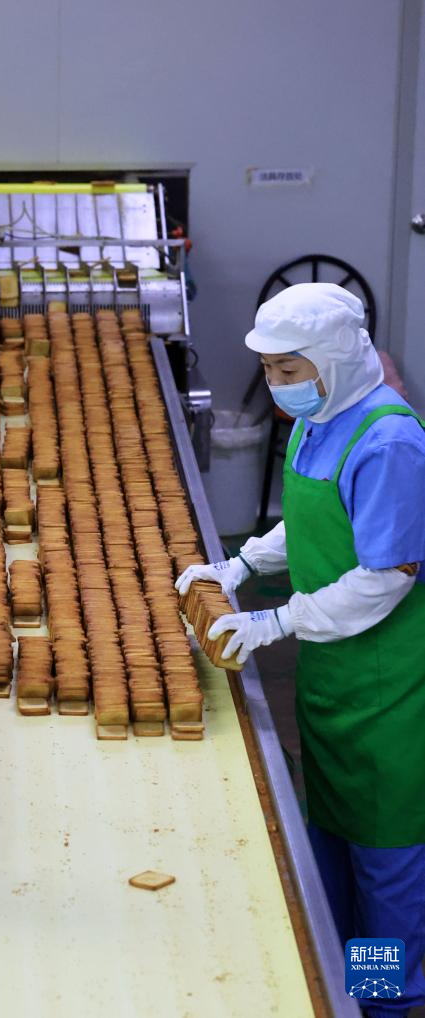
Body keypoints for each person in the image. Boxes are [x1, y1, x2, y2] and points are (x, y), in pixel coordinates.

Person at [176, 283, 425, 1018]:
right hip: (333, 676)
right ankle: (336, 976)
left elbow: (385, 576)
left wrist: (275, 622)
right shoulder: (321, 419)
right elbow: (315, 520)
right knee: (333, 842)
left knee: (382, 861)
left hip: (387, 689)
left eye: (288, 369)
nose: (275, 384)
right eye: (269, 370)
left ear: (334, 360)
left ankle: (382, 999)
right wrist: (242, 565)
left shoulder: (388, 441)